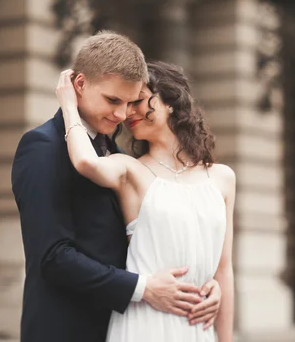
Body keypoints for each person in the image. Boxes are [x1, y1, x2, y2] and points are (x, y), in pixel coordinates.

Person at [12, 31, 222, 342]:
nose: (122, 115)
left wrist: (204, 283)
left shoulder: (120, 157)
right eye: (113, 100)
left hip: (127, 328)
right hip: (67, 330)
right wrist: (143, 288)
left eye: (130, 102)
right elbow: (52, 257)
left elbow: (147, 242)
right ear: (79, 85)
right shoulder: (42, 146)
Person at [55, 60, 235, 341]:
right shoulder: (130, 169)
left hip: (197, 326)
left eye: (137, 101)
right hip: (145, 323)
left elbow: (224, 269)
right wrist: (68, 106)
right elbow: (85, 162)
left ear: (171, 102)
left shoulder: (223, 178)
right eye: (125, 104)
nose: (128, 113)